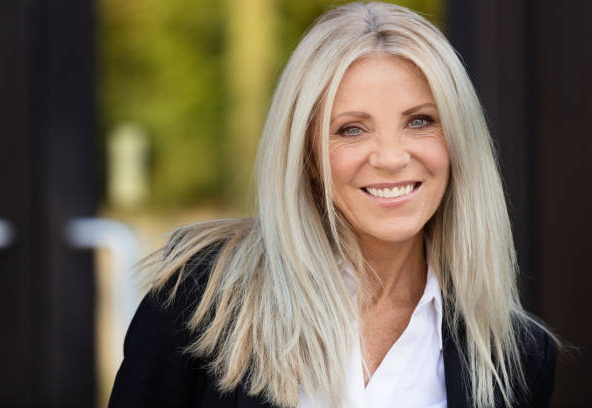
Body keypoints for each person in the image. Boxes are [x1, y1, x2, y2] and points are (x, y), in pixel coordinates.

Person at [109, 2, 557, 407]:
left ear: (460, 141)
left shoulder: (518, 358)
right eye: (351, 129)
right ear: (306, 156)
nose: (391, 157)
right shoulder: (201, 301)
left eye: (420, 121)